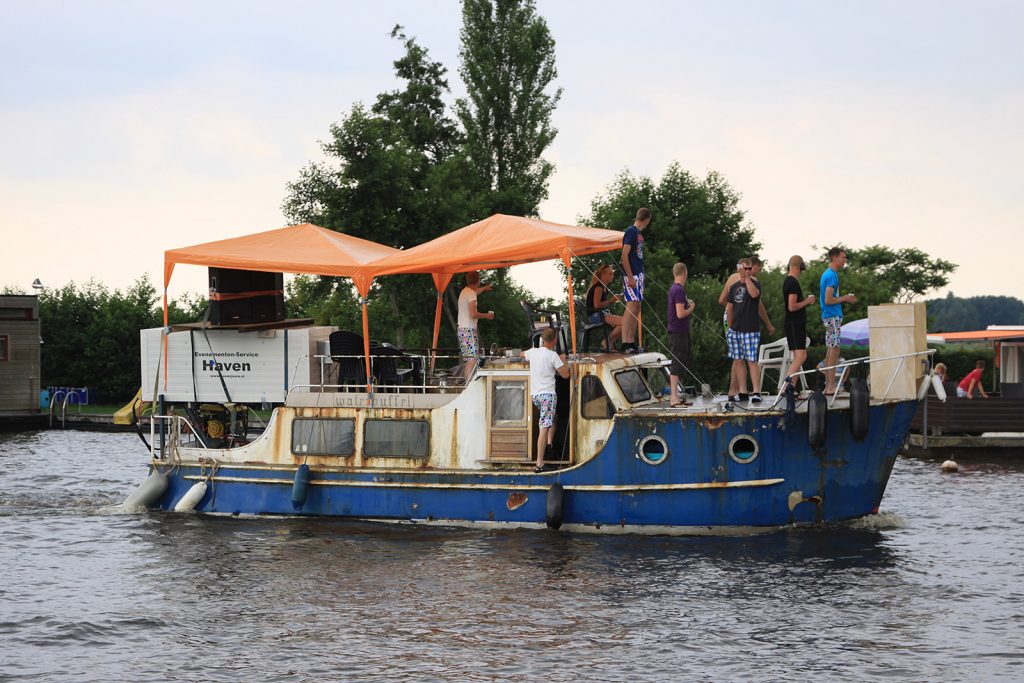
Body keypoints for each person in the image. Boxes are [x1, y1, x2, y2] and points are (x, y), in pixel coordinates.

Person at [719, 255, 775, 396]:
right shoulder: (744, 280)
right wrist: (739, 308)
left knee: (739, 355)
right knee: (738, 355)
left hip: (732, 317)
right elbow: (758, 306)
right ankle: (734, 389)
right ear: (752, 266)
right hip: (733, 318)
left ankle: (736, 389)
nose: (757, 272)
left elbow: (721, 300)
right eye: (758, 269)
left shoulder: (741, 280)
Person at [525, 328, 570, 471]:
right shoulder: (553, 355)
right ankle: (540, 463)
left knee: (553, 417)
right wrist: (563, 362)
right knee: (544, 427)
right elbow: (565, 375)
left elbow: (521, 354)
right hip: (548, 395)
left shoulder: (532, 352)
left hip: (536, 396)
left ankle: (550, 444)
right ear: (555, 340)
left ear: (542, 339)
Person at [726, 258, 763, 403]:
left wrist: (747, 278)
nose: (747, 271)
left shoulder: (755, 283)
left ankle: (756, 392)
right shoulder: (734, 287)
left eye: (749, 268)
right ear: (738, 268)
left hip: (750, 329)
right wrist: (730, 327)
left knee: (752, 360)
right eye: (744, 268)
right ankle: (742, 391)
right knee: (738, 360)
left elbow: (754, 295)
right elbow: (729, 307)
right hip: (736, 329)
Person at [820, 247, 856, 395]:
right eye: (843, 257)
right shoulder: (831, 276)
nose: (845, 260)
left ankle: (828, 386)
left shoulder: (828, 274)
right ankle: (830, 386)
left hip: (830, 316)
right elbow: (828, 300)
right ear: (834, 258)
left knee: (832, 349)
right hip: (832, 315)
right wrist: (846, 298)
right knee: (834, 350)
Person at [620, 207, 651, 353]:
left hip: (639, 273)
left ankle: (631, 341)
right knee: (631, 306)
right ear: (647, 219)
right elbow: (624, 255)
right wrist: (630, 276)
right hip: (631, 274)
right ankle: (625, 342)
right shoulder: (631, 231)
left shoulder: (639, 233)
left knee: (637, 307)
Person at [782, 255, 816, 389]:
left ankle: (792, 388)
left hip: (793, 323)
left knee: (799, 356)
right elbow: (792, 306)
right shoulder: (793, 282)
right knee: (801, 356)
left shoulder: (787, 281)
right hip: (795, 323)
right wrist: (807, 301)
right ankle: (786, 387)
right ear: (799, 267)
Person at [667, 262, 696, 407]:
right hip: (678, 331)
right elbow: (680, 314)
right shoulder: (678, 290)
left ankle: (677, 396)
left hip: (680, 331)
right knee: (677, 362)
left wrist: (686, 304)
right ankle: (674, 398)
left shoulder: (675, 289)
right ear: (685, 272)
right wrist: (691, 308)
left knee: (682, 361)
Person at [457, 271, 495, 379]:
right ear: (478, 281)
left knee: (469, 359)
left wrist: (484, 288)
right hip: (468, 330)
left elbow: (476, 291)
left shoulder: (465, 291)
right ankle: (469, 386)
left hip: (463, 330)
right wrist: (487, 316)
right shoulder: (471, 294)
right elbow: (473, 314)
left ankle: (468, 385)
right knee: (472, 359)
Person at [585, 264, 623, 349]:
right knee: (625, 322)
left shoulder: (603, 287)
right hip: (595, 315)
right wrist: (611, 300)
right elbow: (596, 305)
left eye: (612, 274)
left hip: (600, 314)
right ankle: (606, 342)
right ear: (603, 274)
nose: (612, 276)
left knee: (624, 323)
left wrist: (612, 301)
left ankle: (609, 345)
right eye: (610, 274)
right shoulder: (599, 287)